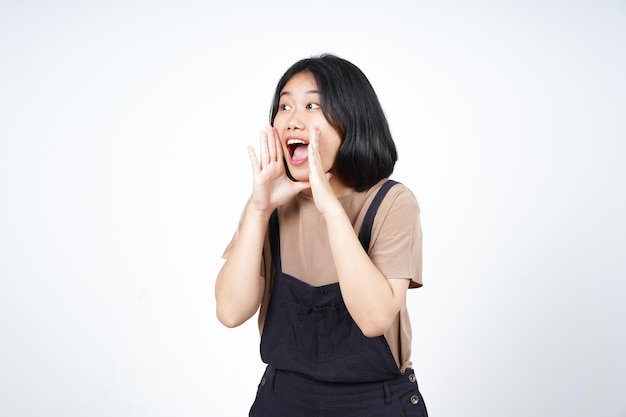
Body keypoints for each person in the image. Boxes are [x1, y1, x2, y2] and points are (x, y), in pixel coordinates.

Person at [215, 54, 427, 417]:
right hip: (283, 400)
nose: (292, 119)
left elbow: (374, 318)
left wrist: (330, 207)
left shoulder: (393, 202)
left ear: (352, 120)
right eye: (284, 106)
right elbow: (231, 312)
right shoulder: (270, 206)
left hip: (375, 403)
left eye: (312, 105)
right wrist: (258, 209)